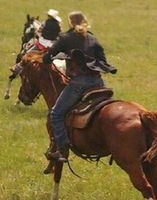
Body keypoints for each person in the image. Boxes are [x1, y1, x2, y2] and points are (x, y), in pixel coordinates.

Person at [43, 11, 117, 162]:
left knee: (55, 114)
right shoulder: (92, 37)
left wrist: (49, 58)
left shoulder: (66, 38)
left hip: (78, 83)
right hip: (98, 82)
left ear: (70, 22)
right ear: (84, 21)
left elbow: (48, 56)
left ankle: (62, 150)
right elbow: (102, 60)